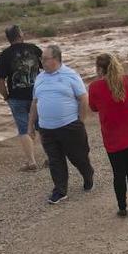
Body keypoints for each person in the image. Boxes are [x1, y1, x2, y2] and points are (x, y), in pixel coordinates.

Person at [28, 44, 93, 204]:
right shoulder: (40, 78)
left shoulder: (71, 75)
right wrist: (30, 125)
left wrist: (81, 121)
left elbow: (84, 98)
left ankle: (87, 173)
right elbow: (35, 102)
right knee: (55, 160)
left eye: (44, 59)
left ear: (56, 59)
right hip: (46, 128)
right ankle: (60, 190)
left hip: (70, 126)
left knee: (78, 157)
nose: (41, 61)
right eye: (41, 59)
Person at [87, 53, 128, 216]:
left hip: (112, 137)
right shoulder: (127, 80)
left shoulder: (94, 87)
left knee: (118, 173)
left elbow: (93, 108)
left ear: (99, 69)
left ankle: (121, 208)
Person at [0, 25, 43, 172]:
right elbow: (47, 68)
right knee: (43, 126)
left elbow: (0, 81)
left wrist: (6, 97)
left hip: (16, 98)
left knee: (23, 129)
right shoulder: (34, 49)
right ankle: (50, 157)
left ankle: (31, 162)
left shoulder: (4, 55)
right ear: (21, 35)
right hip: (37, 94)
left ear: (8, 38)